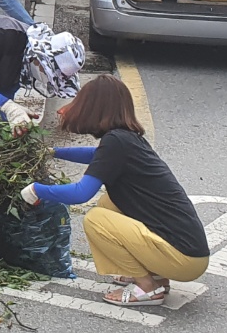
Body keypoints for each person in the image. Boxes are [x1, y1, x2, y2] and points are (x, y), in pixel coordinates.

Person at [20, 76, 208, 307]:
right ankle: (156, 275)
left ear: (94, 107)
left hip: (182, 258)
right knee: (110, 203)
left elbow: (81, 194)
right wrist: (52, 151)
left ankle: (147, 289)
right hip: (189, 254)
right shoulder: (127, 140)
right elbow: (95, 155)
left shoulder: (117, 142)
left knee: (97, 219)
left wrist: (37, 189)